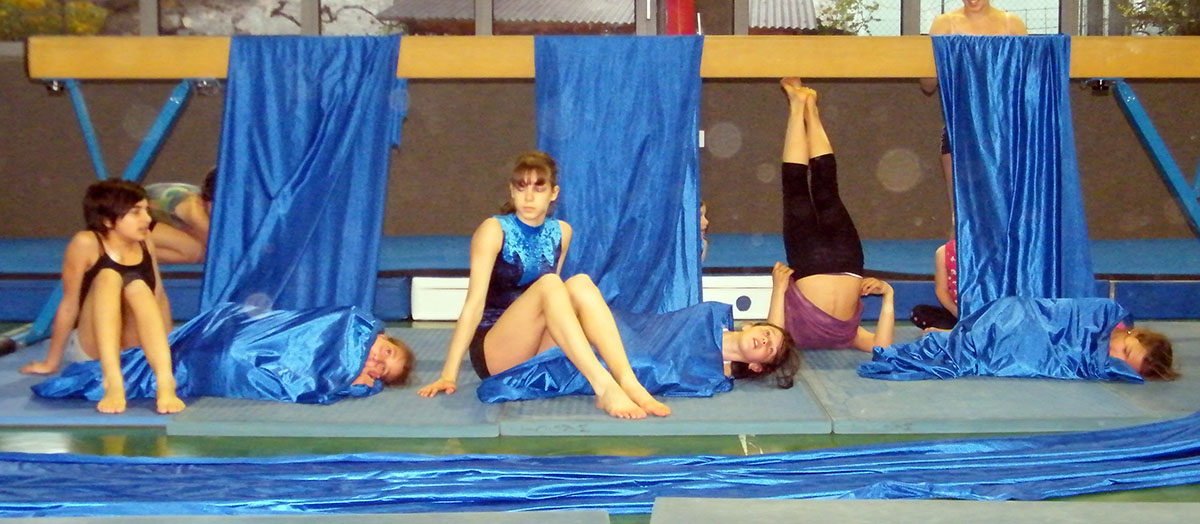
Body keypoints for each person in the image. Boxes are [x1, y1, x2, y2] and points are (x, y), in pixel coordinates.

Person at [418, 152, 790, 419]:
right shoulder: (493, 230)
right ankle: (605, 386)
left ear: (554, 194)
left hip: (534, 339)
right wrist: (449, 372)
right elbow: (474, 304)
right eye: (521, 187)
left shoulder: (562, 232)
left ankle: (627, 380)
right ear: (512, 192)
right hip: (495, 347)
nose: (529, 197)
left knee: (578, 283)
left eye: (538, 188)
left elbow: (556, 307)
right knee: (551, 284)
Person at [33, 303, 415, 406]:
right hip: (234, 328)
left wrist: (355, 383)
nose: (376, 362)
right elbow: (318, 327)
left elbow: (305, 384)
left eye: (382, 370)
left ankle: (122, 371)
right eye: (385, 352)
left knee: (193, 363)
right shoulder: (352, 323)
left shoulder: (347, 378)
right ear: (382, 336)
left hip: (226, 364)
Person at [20, 179, 183, 415]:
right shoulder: (86, 243)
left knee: (139, 287)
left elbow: (158, 296)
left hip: (133, 342)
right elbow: (69, 304)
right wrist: (51, 362)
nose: (147, 219)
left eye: (146, 210)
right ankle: (112, 380)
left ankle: (165, 381)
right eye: (136, 212)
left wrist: (165, 351)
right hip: (93, 343)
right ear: (108, 220)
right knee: (108, 276)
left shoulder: (145, 240)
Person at [767, 78, 896, 353]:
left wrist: (778, 290)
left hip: (811, 263)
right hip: (847, 260)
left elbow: (774, 338)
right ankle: (809, 109)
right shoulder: (850, 336)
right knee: (824, 190)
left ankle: (798, 107)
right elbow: (882, 347)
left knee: (800, 190)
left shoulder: (794, 338)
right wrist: (888, 295)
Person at [478, 301, 798, 403]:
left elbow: (660, 372)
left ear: (756, 367)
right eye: (766, 333)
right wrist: (779, 290)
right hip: (616, 329)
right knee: (578, 295)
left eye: (769, 350)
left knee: (568, 300)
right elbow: (655, 325)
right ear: (752, 324)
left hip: (569, 355)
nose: (765, 341)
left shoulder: (712, 378)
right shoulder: (710, 314)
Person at [860, 297, 1179, 382]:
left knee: (999, 349)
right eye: (1125, 350)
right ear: (1133, 333)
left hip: (1026, 342)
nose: (1116, 357)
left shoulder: (1103, 363)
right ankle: (955, 333)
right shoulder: (1106, 313)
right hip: (1023, 315)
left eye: (1126, 364)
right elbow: (1059, 313)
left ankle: (951, 335)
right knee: (1010, 320)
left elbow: (1059, 356)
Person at [920, 1, 1027, 218]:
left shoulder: (1012, 25)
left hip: (1004, 131)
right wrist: (941, 60)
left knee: (1006, 211)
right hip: (961, 129)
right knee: (960, 215)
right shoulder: (944, 25)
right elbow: (927, 84)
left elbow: (1028, 81)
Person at [145, 168, 215, 264]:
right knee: (195, 252)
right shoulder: (195, 211)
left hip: (148, 217)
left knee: (198, 250)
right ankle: (126, 252)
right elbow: (219, 248)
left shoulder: (208, 204)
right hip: (127, 217)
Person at [910, 239, 959, 331]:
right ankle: (957, 330)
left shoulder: (985, 250)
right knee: (919, 312)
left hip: (982, 311)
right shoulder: (944, 252)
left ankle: (955, 332)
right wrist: (957, 312)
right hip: (957, 312)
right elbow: (941, 290)